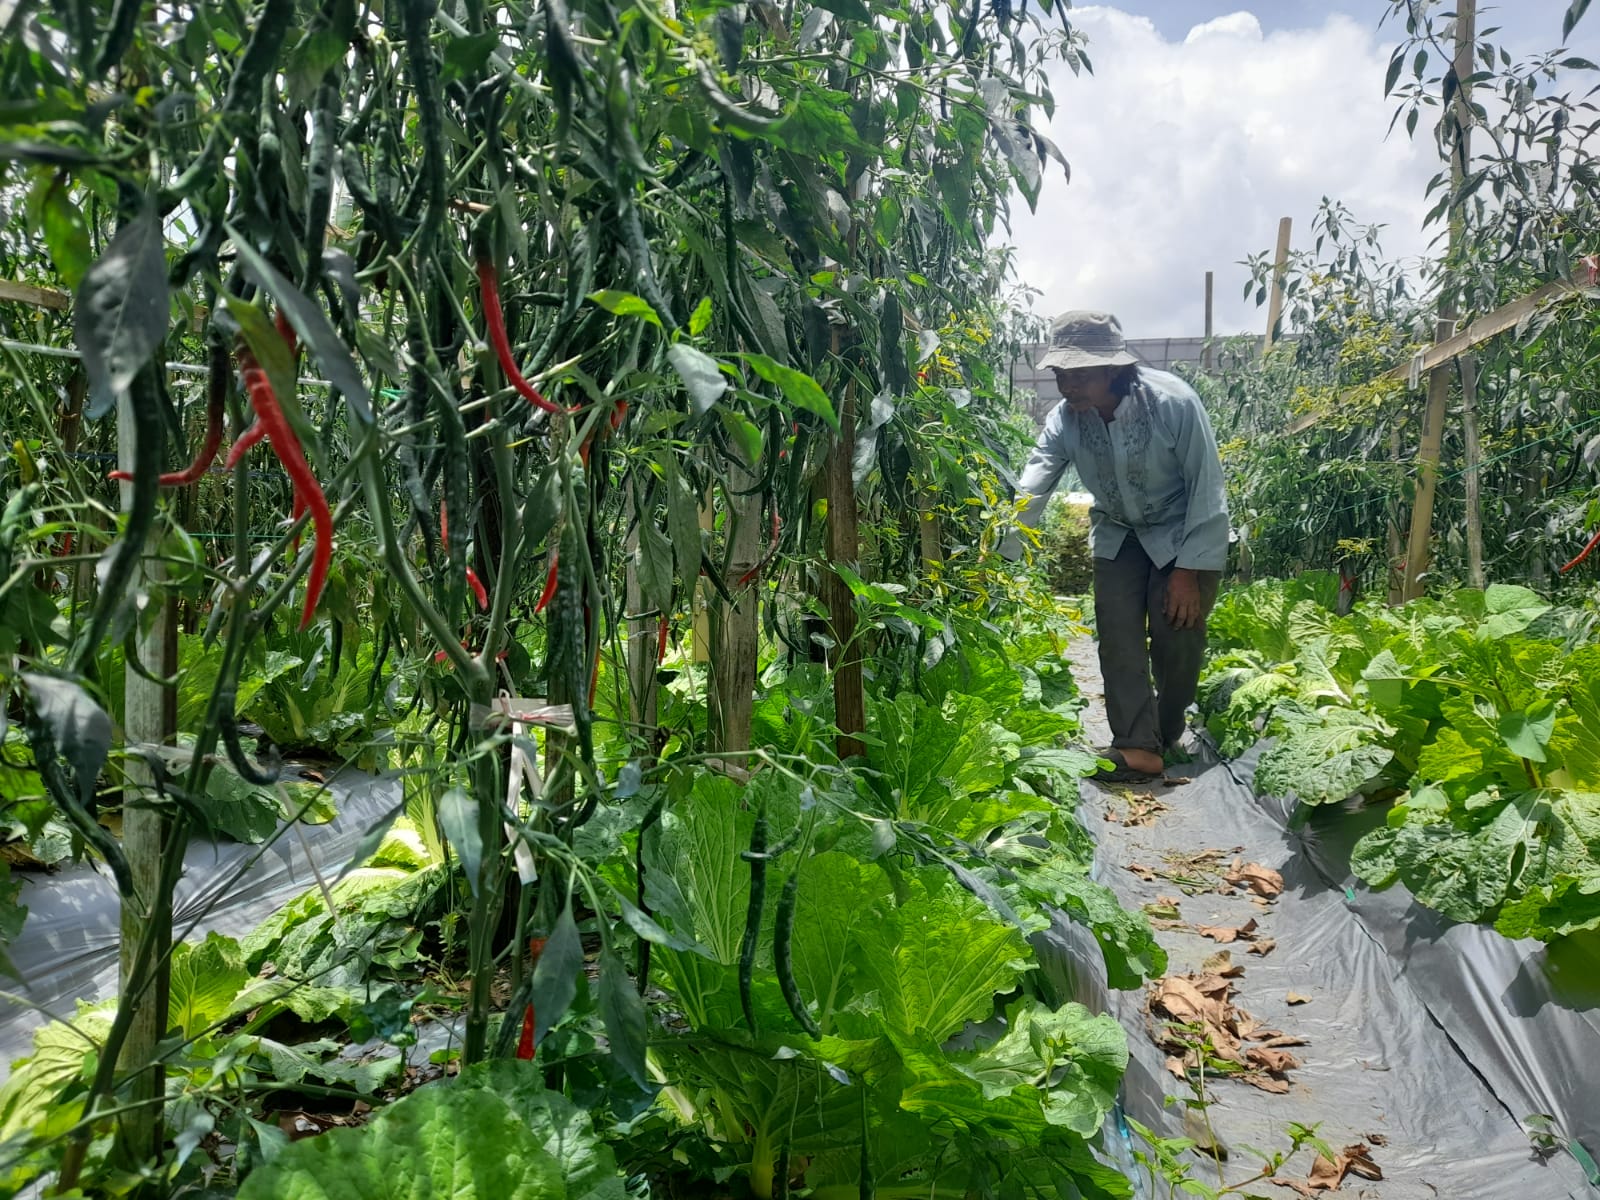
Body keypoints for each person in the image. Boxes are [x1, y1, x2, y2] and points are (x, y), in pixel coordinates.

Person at [1003, 310, 1228, 782]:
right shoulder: (1065, 419)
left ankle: (1165, 732)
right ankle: (1137, 747)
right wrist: (1001, 548)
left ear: (1114, 369)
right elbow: (1037, 478)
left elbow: (1207, 487)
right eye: (1062, 374)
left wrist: (1188, 571)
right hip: (1119, 532)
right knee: (1118, 635)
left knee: (1178, 635)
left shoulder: (1174, 403)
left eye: (1080, 374)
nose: (1069, 386)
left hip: (1182, 531)